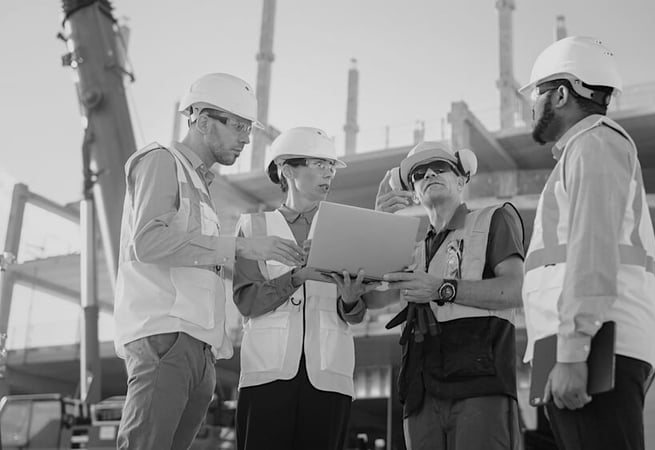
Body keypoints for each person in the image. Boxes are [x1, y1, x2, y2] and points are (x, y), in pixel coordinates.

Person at [114, 73, 306, 450]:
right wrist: (241, 248)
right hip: (165, 337)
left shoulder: (200, 185)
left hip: (198, 346)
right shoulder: (160, 161)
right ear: (202, 121)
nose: (246, 138)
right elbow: (149, 243)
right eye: (238, 126)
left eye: (248, 128)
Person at [518, 36, 655, 450]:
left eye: (536, 94)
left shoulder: (595, 144)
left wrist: (572, 351)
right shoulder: (583, 151)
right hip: (582, 342)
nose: (531, 106)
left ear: (561, 94)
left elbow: (592, 252)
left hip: (595, 344)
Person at [370, 141, 525, 450]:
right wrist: (377, 225)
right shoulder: (410, 250)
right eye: (419, 174)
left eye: (440, 168)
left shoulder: (493, 219)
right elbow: (369, 301)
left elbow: (515, 290)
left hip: (480, 385)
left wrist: (442, 288)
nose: (429, 175)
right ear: (413, 191)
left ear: (462, 179)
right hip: (421, 391)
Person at [233, 126, 373, 450]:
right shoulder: (253, 228)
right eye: (318, 163)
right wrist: (296, 277)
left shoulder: (347, 229)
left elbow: (354, 314)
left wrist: (351, 300)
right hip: (266, 375)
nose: (328, 172)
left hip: (329, 374)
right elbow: (247, 300)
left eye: (331, 165)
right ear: (286, 169)